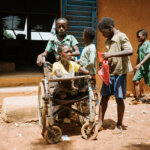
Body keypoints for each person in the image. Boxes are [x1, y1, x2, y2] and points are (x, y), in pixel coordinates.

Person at [96, 17, 133, 133]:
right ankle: (100, 122)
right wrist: (104, 64)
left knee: (119, 99)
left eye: (103, 31)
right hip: (110, 73)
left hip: (120, 73)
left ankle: (119, 124)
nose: (102, 34)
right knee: (104, 98)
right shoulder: (109, 40)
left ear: (110, 27)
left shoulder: (121, 36)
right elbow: (111, 57)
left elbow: (129, 51)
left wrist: (111, 55)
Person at [78, 27, 97, 97]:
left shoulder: (91, 48)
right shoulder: (87, 47)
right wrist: (78, 61)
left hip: (89, 73)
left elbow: (91, 62)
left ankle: (94, 102)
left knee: (91, 88)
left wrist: (83, 68)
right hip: (85, 72)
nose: (82, 37)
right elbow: (84, 59)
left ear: (87, 37)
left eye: (83, 35)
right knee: (84, 89)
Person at [132, 29, 150, 104]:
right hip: (141, 68)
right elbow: (139, 57)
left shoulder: (148, 44)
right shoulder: (140, 46)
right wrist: (137, 65)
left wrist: (140, 63)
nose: (137, 38)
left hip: (148, 68)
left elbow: (149, 54)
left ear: (144, 36)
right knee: (135, 81)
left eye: (139, 36)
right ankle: (138, 99)